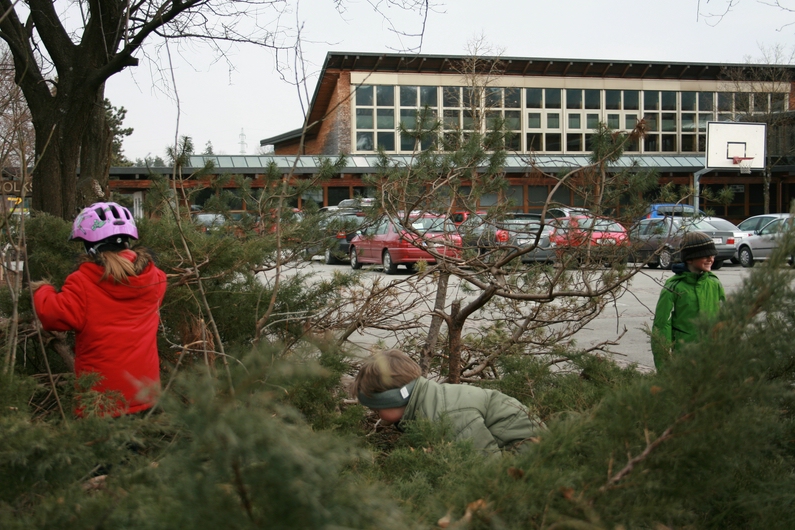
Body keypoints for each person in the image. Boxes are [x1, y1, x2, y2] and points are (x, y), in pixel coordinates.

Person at [32, 202, 167, 417]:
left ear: (90, 246)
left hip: (101, 400)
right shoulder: (156, 278)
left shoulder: (83, 281)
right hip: (146, 393)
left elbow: (52, 315)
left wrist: (42, 289)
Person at [353, 349, 544, 454]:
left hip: (532, 459)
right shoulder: (427, 402)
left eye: (376, 409)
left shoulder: (446, 414)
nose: (375, 413)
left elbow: (485, 468)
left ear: (395, 398)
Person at [651, 231, 726, 370]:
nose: (711, 259)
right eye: (705, 255)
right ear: (689, 259)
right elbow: (662, 326)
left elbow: (725, 319)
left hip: (713, 358)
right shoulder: (674, 287)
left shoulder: (714, 283)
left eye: (712, 255)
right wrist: (664, 367)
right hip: (685, 358)